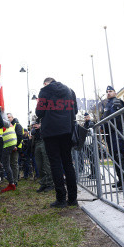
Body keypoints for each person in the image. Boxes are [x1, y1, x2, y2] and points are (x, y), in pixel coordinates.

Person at [35, 77, 78, 208]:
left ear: (46, 83)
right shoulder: (70, 91)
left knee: (55, 164)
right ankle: (72, 199)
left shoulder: (44, 91)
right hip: (67, 130)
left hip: (51, 132)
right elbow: (75, 111)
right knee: (68, 163)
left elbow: (39, 112)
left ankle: (61, 199)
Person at [100, 86, 124, 191]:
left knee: (120, 156)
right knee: (115, 158)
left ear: (115, 93)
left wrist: (104, 127)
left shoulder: (117, 102)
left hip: (117, 133)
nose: (108, 93)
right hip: (110, 135)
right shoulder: (107, 105)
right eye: (107, 92)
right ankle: (121, 179)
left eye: (110, 91)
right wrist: (102, 127)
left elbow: (115, 118)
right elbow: (104, 119)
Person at [31, 118, 53, 193]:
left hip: (44, 142)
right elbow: (32, 132)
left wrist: (41, 126)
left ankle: (50, 183)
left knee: (47, 165)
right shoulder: (36, 123)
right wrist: (35, 127)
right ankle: (44, 183)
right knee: (39, 165)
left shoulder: (45, 119)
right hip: (37, 143)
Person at [6, 113, 23, 185]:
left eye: (9, 117)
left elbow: (19, 136)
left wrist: (15, 146)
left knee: (14, 164)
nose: (8, 118)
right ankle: (12, 180)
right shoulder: (7, 125)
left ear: (12, 117)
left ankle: (15, 180)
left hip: (15, 148)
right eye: (7, 117)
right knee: (9, 164)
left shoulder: (17, 125)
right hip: (8, 147)